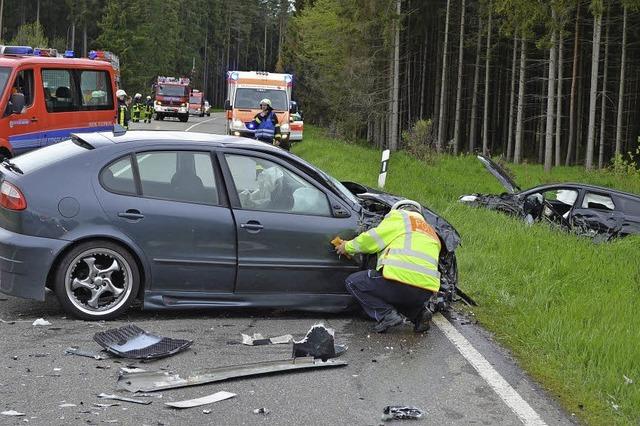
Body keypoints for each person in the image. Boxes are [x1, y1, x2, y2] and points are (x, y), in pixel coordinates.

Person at [335, 199, 441, 333]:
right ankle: (419, 314)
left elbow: (372, 239)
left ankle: (386, 315)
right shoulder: (431, 231)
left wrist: (347, 246)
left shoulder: (400, 218)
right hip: (425, 291)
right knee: (400, 291)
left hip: (399, 281)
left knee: (353, 282)